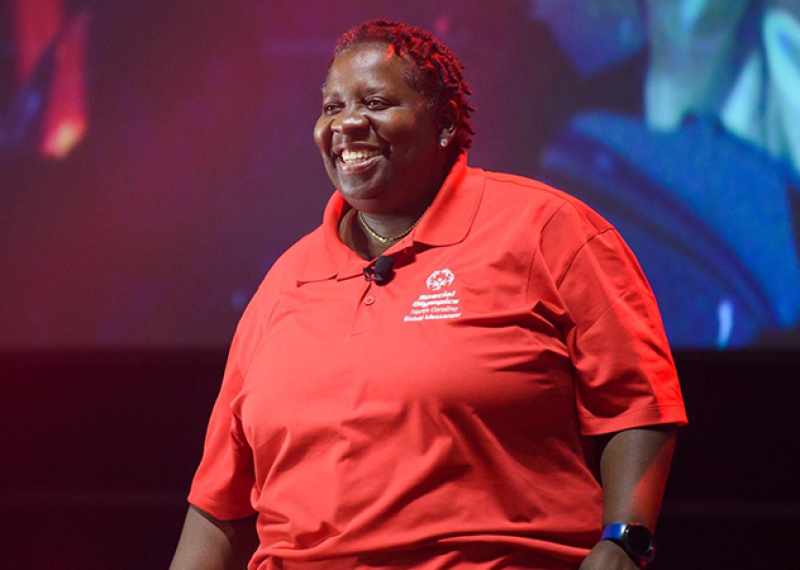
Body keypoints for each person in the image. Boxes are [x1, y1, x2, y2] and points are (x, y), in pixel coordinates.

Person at [169, 19, 687, 570]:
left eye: (374, 101)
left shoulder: (547, 229)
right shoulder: (285, 280)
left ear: (444, 123)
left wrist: (624, 542)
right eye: (331, 107)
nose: (347, 124)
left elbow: (638, 402)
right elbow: (217, 504)